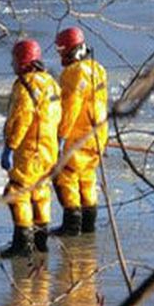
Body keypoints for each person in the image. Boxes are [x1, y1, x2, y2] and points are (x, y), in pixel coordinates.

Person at [0, 39, 62, 259]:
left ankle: (22, 244)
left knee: (17, 192)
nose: (12, 65)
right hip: (48, 149)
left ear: (23, 61)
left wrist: (10, 146)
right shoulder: (50, 82)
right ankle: (40, 241)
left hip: (30, 150)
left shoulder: (25, 85)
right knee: (40, 191)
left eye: (14, 60)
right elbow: (58, 114)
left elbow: (22, 118)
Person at [52, 27, 108, 236]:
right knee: (87, 177)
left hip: (77, 134)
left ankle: (72, 224)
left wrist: (61, 136)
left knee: (66, 176)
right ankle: (88, 224)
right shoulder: (98, 68)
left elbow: (71, 108)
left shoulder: (74, 73)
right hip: (97, 133)